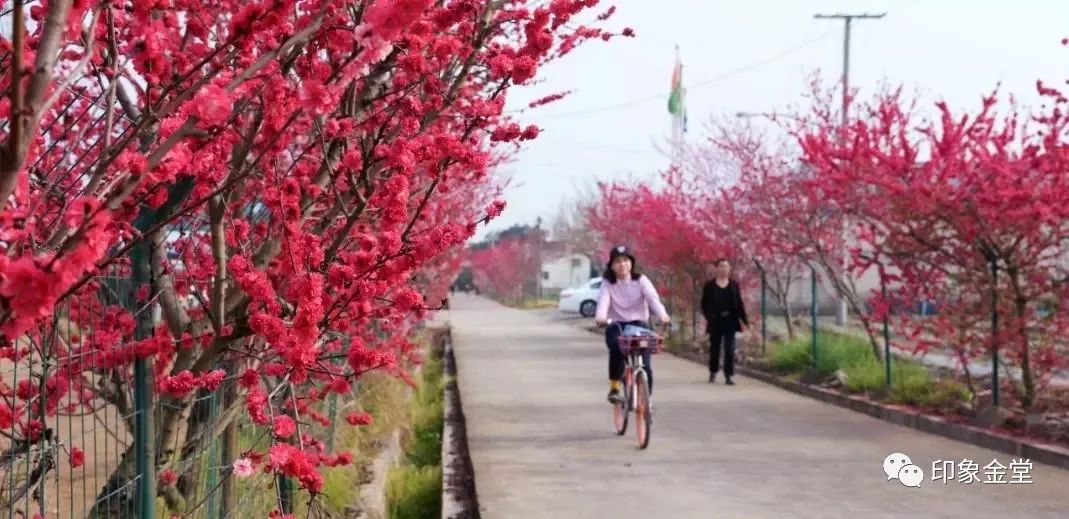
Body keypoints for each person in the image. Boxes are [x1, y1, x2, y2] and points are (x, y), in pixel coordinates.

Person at [594, 245, 671, 405]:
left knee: (646, 363)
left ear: (631, 263)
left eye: (625, 260)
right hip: (617, 325)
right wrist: (601, 317)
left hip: (639, 326)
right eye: (617, 261)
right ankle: (614, 387)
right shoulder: (608, 283)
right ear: (612, 265)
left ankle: (647, 401)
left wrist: (663, 315)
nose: (622, 265)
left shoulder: (641, 280)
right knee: (616, 347)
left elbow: (652, 299)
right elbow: (603, 302)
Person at [700, 258, 749, 385]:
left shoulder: (734, 285)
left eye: (726, 266)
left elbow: (739, 303)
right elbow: (704, 304)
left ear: (729, 269)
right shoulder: (709, 286)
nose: (724, 269)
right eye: (721, 266)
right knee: (715, 348)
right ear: (717, 268)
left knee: (729, 348)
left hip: (730, 320)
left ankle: (729, 375)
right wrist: (709, 316)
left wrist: (745, 321)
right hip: (715, 320)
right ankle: (713, 371)